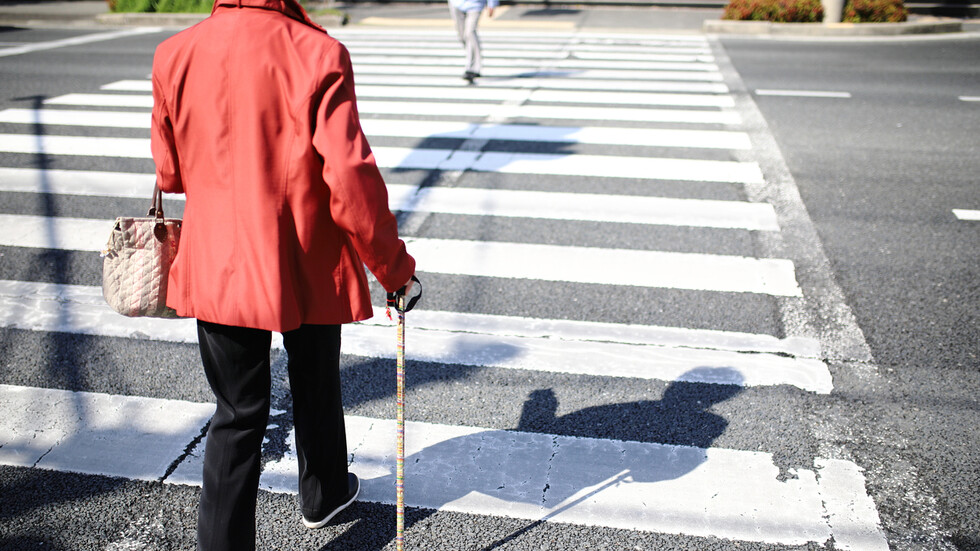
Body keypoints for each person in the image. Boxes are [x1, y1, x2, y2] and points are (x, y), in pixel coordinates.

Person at [149, 1, 416, 549]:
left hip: (220, 259)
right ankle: (323, 494)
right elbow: (350, 178)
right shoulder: (318, 52)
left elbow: (170, 171)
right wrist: (393, 269)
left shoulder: (173, 54)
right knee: (315, 379)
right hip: (304, 254)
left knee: (238, 412)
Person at [448, 0, 498, 82]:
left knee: (470, 33)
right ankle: (471, 58)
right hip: (456, 3)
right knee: (462, 35)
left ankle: (473, 68)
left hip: (475, 4)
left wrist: (492, 4)